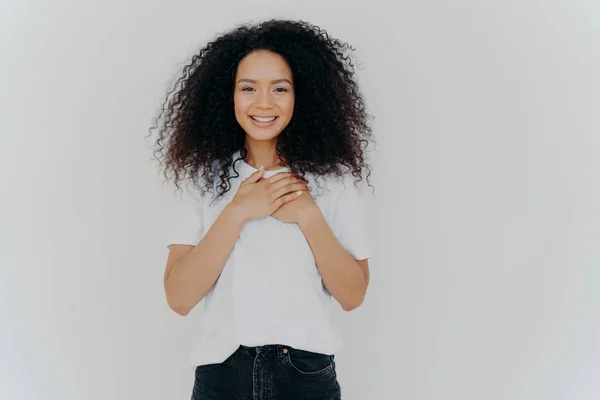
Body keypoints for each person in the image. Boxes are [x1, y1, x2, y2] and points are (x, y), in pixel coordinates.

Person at [151, 19, 374, 400]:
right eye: (248, 88)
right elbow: (179, 297)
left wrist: (308, 216)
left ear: (302, 96)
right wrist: (237, 211)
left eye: (280, 89)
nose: (264, 103)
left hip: (307, 375)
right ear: (228, 95)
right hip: (222, 375)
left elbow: (353, 295)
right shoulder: (204, 179)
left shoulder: (332, 180)